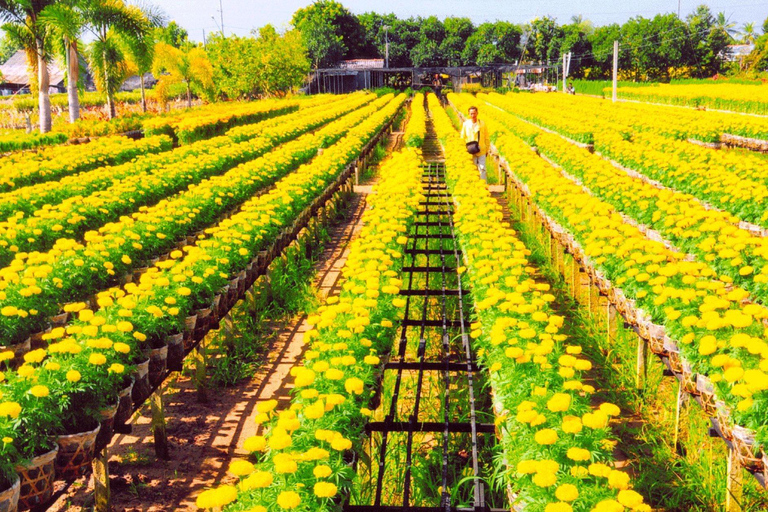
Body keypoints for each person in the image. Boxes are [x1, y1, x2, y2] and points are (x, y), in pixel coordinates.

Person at [460, 106, 491, 182]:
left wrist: (487, 149)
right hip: (470, 150)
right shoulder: (466, 124)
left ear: (477, 113)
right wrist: (463, 150)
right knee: (472, 169)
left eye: (474, 113)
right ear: (469, 114)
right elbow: (462, 137)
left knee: (482, 168)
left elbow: (487, 137)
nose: (473, 115)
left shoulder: (482, 124)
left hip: (481, 149)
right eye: (471, 114)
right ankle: (475, 186)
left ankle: (483, 185)